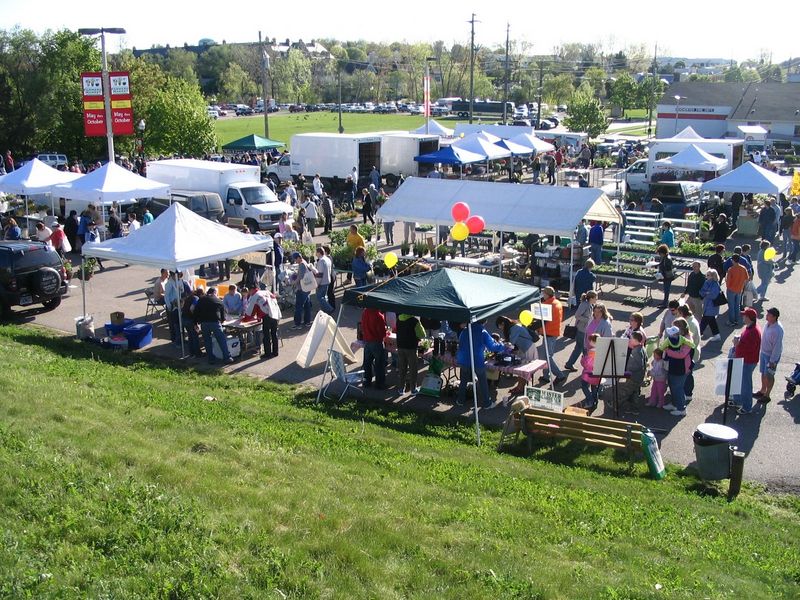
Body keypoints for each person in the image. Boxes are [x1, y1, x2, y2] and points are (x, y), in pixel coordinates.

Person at [456, 320, 506, 409]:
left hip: (464, 359)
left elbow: (460, 343)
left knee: (463, 381)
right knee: (482, 382)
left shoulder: (465, 330)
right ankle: (487, 403)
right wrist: (503, 346)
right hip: (477, 360)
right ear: (484, 322)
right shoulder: (482, 332)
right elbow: (492, 346)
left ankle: (460, 400)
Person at [495, 315, 537, 398]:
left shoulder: (514, 328)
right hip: (524, 348)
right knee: (522, 369)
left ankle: (520, 387)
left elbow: (511, 343)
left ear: (503, 323)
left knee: (523, 369)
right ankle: (520, 387)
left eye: (500, 326)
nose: (500, 328)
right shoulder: (514, 326)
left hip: (527, 348)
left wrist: (501, 347)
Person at [732, 308, 762, 415]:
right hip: (744, 360)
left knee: (745, 385)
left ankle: (747, 407)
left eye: (744, 315)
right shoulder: (749, 327)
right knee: (740, 382)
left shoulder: (753, 331)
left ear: (749, 318)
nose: (743, 317)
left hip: (748, 362)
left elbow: (749, 348)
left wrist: (738, 343)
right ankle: (738, 401)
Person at [194, 286, 234, 365]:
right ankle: (227, 357)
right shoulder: (218, 300)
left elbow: (196, 312)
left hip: (204, 323)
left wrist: (196, 323)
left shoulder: (201, 300)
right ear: (215, 293)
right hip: (215, 322)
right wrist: (222, 321)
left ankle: (211, 359)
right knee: (221, 340)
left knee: (207, 341)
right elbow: (223, 316)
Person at [660, 325, 693, 417]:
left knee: (678, 388)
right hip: (672, 367)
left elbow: (681, 355)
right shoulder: (671, 340)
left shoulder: (686, 341)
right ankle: (674, 404)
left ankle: (681, 408)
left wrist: (668, 351)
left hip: (681, 369)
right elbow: (662, 347)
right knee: (672, 386)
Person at [538, 287, 567, 386]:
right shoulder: (557, 303)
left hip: (548, 333)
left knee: (547, 356)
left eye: (543, 293)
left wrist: (537, 330)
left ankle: (560, 375)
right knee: (546, 355)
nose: (542, 295)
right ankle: (546, 376)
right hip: (554, 332)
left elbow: (541, 320)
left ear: (546, 294)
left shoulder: (546, 305)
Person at [244, 284, 281, 359]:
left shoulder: (255, 296)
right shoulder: (266, 292)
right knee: (274, 334)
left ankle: (268, 353)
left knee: (266, 335)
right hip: (275, 313)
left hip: (267, 316)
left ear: (252, 290)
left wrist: (245, 318)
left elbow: (250, 311)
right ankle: (275, 352)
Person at [755, 307, 783, 405]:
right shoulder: (768, 324)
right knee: (763, 373)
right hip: (764, 353)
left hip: (771, 357)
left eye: (769, 315)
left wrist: (773, 361)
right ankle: (762, 390)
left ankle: (767, 395)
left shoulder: (777, 330)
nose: (766, 316)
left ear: (774, 317)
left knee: (769, 375)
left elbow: (777, 347)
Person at [563, 290, 597, 371]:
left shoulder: (589, 304)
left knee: (579, 348)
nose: (596, 299)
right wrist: (588, 320)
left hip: (583, 330)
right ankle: (588, 366)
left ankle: (570, 364)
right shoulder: (585, 304)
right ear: (591, 298)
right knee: (584, 349)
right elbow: (577, 315)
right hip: (581, 330)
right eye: (596, 297)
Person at [618, 331, 647, 414]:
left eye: (631, 338)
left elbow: (638, 365)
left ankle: (617, 404)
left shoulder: (636, 352)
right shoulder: (641, 348)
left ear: (635, 340)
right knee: (634, 392)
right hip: (638, 376)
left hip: (633, 376)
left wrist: (627, 371)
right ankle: (634, 408)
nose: (630, 340)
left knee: (626, 392)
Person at [396, 313, 426, 393]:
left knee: (402, 368)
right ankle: (413, 389)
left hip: (400, 346)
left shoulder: (399, 318)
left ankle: (401, 389)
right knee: (413, 369)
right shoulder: (414, 321)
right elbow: (422, 334)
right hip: (411, 347)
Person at [361, 307, 388, 389]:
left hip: (367, 341)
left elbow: (362, 325)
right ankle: (379, 384)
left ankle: (367, 381)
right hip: (376, 342)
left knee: (367, 363)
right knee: (379, 364)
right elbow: (382, 333)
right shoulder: (379, 316)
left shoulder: (365, 312)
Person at [290, 252, 314, 329]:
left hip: (302, 288)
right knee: (307, 305)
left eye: (295, 259)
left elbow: (300, 276)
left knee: (298, 306)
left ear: (298, 258)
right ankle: (307, 322)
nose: (295, 261)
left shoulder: (302, 264)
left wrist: (294, 282)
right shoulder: (305, 262)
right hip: (307, 288)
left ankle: (297, 324)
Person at [578, 334, 602, 410]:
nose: (589, 342)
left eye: (591, 340)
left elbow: (587, 364)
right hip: (597, 373)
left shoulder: (591, 352)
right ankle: (595, 399)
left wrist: (583, 359)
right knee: (594, 387)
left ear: (594, 342)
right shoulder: (601, 351)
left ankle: (590, 400)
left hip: (588, 374)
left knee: (584, 386)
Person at [699, 269, 722, 342]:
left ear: (712, 276)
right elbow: (702, 292)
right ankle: (717, 335)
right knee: (712, 321)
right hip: (707, 304)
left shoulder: (715, 284)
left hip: (711, 306)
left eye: (708, 275)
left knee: (704, 321)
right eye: (707, 275)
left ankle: (698, 334)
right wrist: (707, 293)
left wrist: (706, 293)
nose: (706, 276)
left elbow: (713, 295)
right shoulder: (706, 282)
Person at [725, 254, 748, 326]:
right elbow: (746, 279)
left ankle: (731, 321)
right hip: (739, 290)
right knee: (737, 305)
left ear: (733, 260)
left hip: (731, 290)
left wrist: (728, 287)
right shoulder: (743, 268)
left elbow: (728, 281)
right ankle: (736, 320)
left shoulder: (731, 269)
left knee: (731, 306)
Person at [181, 289, 203, 357]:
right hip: (190, 320)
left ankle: (191, 352)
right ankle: (198, 353)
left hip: (184, 319)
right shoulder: (196, 298)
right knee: (195, 336)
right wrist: (195, 318)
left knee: (190, 336)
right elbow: (192, 308)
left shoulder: (189, 297)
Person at [314, 247, 334, 315]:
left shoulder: (321, 261)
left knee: (320, 297)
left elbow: (320, 274)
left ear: (319, 253)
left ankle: (329, 309)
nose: (315, 254)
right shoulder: (327, 259)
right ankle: (324, 311)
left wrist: (317, 283)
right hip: (327, 280)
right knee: (324, 297)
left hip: (322, 282)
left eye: (316, 252)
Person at [655, 244, 675, 308]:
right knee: (666, 289)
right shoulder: (666, 257)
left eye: (660, 253)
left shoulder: (667, 259)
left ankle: (665, 303)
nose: (659, 255)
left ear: (662, 252)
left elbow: (668, 268)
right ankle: (664, 302)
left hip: (667, 277)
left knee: (666, 290)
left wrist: (661, 272)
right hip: (667, 276)